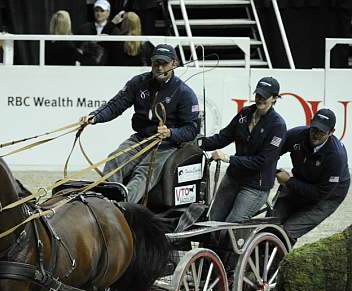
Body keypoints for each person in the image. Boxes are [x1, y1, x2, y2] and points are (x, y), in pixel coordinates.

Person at [80, 44, 199, 204]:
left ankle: (122, 207)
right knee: (114, 160)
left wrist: (171, 133)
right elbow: (116, 104)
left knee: (144, 173)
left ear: (174, 64)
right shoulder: (139, 82)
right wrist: (94, 117)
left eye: (164, 63)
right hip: (141, 138)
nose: (159, 67)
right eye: (156, 63)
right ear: (151, 62)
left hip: (166, 145)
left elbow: (191, 129)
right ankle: (106, 203)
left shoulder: (185, 93)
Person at [200, 77, 287, 223]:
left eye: (265, 96)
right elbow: (223, 137)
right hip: (233, 177)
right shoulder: (245, 113)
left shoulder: (277, 125)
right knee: (213, 219)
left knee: (231, 224)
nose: (260, 99)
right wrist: (198, 143)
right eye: (258, 95)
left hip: (255, 186)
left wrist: (228, 158)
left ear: (274, 98)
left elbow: (262, 161)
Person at [271, 108, 350, 244]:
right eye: (314, 129)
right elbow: (270, 153)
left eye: (321, 132)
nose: (315, 135)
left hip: (328, 196)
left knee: (288, 231)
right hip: (300, 180)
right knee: (271, 225)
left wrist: (289, 181)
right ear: (310, 123)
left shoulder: (336, 156)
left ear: (331, 132)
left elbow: (319, 194)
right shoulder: (297, 134)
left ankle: (276, 264)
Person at [76, 0, 119, 65]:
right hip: (87, 66)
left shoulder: (115, 31)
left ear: (108, 12)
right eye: (96, 10)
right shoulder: (84, 29)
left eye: (102, 11)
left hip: (108, 67)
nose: (99, 13)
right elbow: (78, 48)